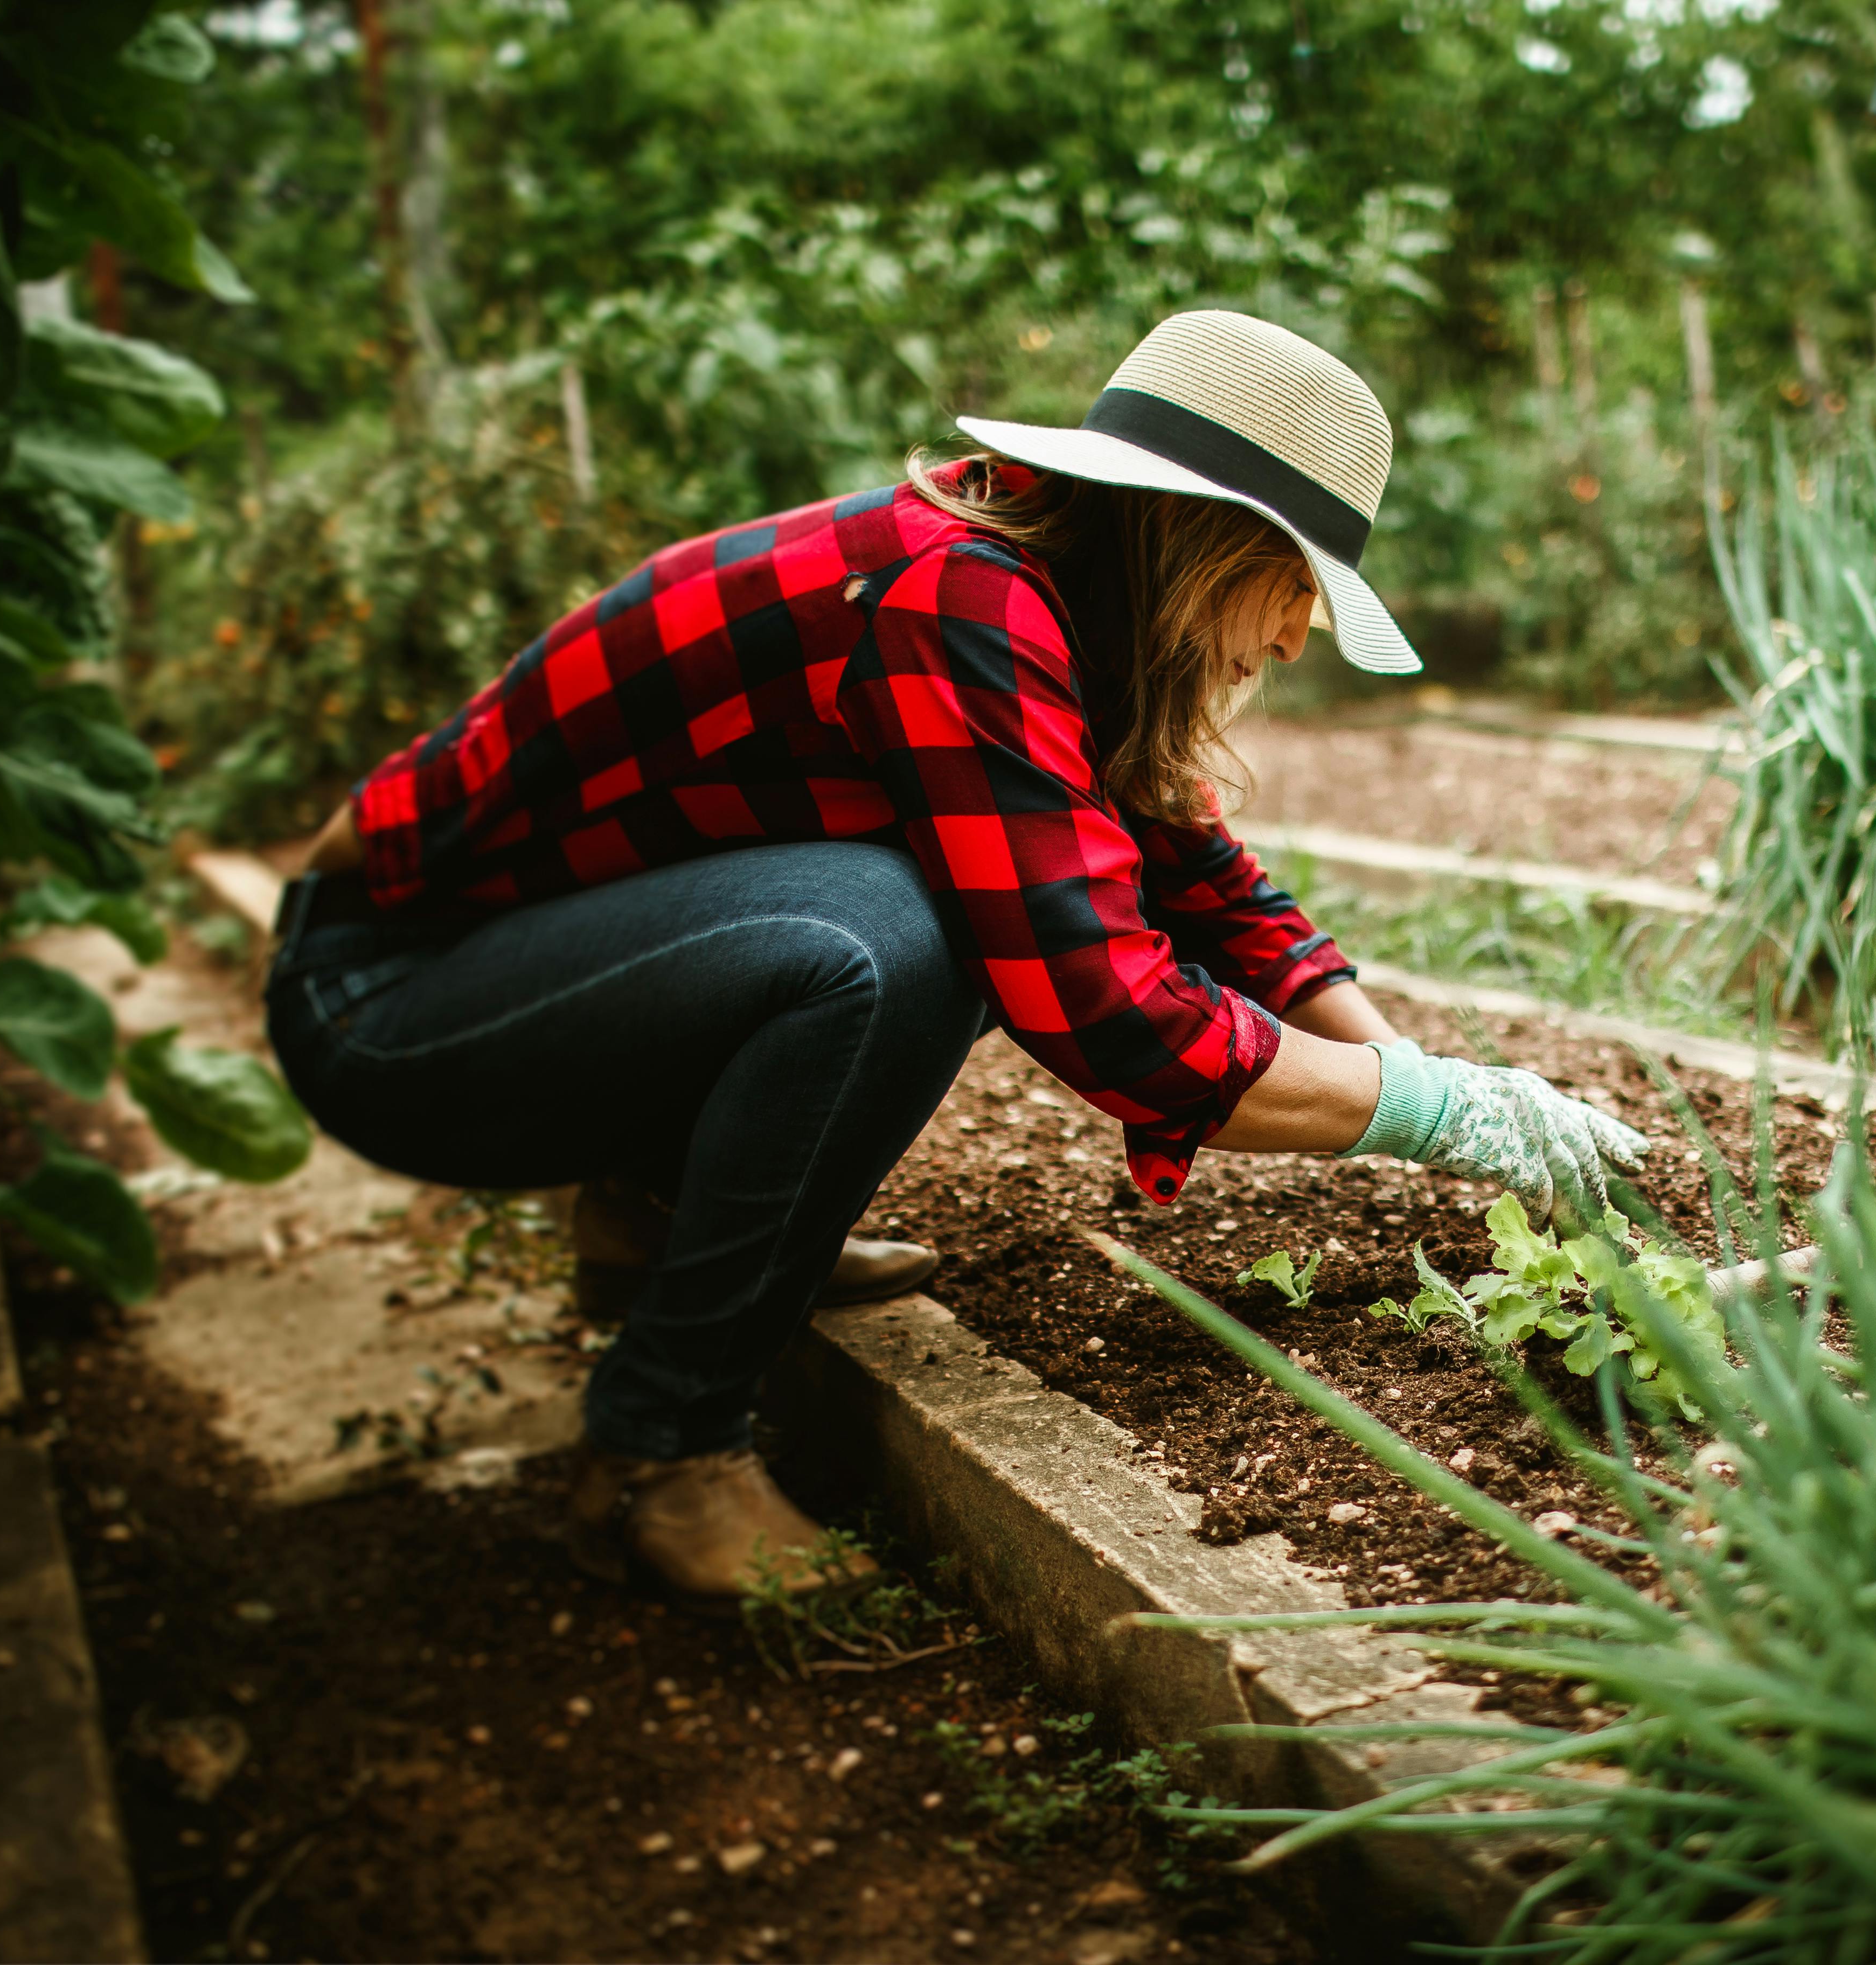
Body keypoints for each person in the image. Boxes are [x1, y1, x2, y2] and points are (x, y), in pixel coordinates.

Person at [266, 311, 1647, 1609]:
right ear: (1201, 545)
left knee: (925, 908)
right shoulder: (955, 602)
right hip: (391, 1004)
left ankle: (658, 1221)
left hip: (530, 979)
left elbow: (1213, 888)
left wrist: (1403, 1066)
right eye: (1293, 590)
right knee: (893, 943)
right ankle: (660, 1452)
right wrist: (1447, 1116)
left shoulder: (1058, 603)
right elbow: (1114, 1013)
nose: (1293, 638)